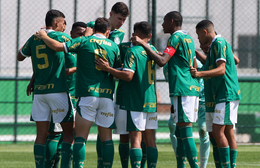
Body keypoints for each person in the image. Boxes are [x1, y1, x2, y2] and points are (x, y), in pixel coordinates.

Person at [34, 17, 119, 168]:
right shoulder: (113, 46)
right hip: (106, 97)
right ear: (107, 32)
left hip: (87, 96)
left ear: (93, 29)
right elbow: (119, 69)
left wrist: (44, 36)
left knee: (80, 138)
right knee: (107, 139)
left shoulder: (83, 41)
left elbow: (58, 47)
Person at [131, 11, 200, 168]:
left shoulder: (175, 37)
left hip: (183, 89)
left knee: (185, 130)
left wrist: (143, 44)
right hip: (190, 87)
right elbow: (192, 63)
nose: (162, 25)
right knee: (179, 132)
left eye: (164, 21)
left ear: (171, 21)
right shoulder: (188, 37)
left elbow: (162, 61)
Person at [95, 21, 158, 168]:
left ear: (134, 35)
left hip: (134, 100)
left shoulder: (132, 51)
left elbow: (128, 76)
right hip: (150, 99)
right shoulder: (153, 50)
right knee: (149, 140)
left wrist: (108, 68)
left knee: (134, 138)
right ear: (150, 36)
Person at [17, 9, 74, 168]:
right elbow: (76, 49)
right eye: (63, 23)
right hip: (58, 91)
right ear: (57, 22)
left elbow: (20, 56)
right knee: (69, 133)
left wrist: (34, 37)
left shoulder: (35, 37)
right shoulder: (62, 37)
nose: (64, 27)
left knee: (41, 136)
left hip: (40, 93)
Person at [193, 20, 241, 168]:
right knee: (220, 131)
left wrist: (199, 74)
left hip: (225, 93)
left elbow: (221, 70)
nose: (198, 39)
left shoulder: (219, 43)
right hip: (217, 94)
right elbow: (233, 60)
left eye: (198, 35)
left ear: (205, 32)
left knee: (219, 131)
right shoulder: (216, 45)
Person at [87, 2, 130, 168]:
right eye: (119, 18)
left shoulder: (119, 33)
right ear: (111, 14)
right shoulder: (93, 26)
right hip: (89, 84)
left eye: (124, 20)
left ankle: (102, 164)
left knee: (104, 128)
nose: (121, 23)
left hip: (107, 84)